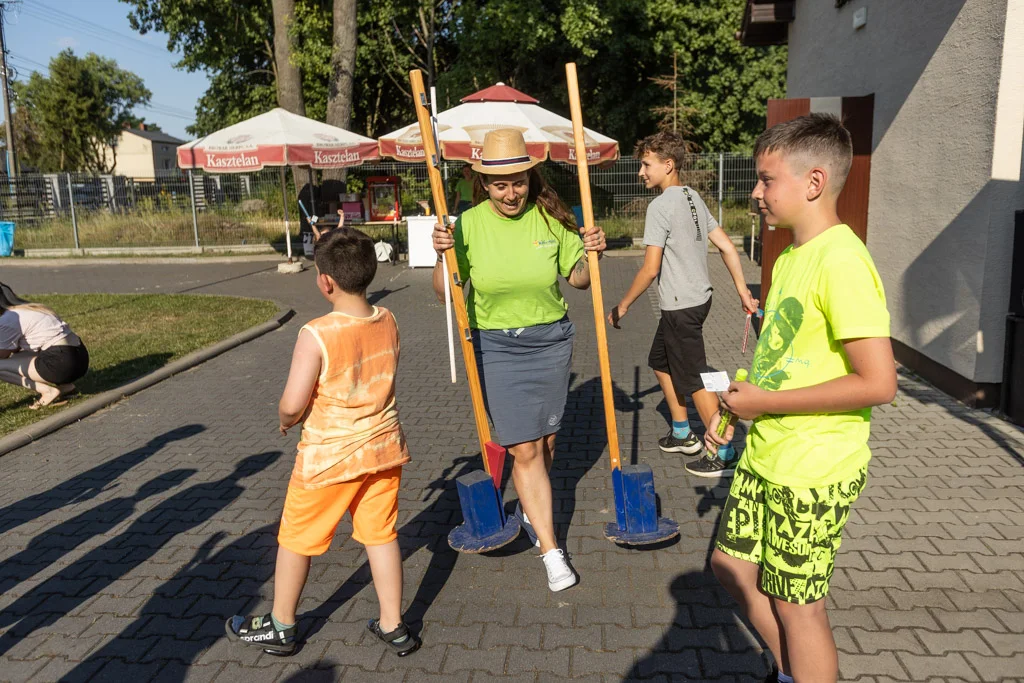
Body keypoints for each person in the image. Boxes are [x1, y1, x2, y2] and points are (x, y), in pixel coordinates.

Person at [705, 114, 896, 683]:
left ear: (813, 183)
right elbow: (782, 358)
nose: (756, 194)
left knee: (797, 605)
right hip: (768, 452)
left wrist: (765, 405)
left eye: (766, 181)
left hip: (813, 467)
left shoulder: (842, 261)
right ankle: (791, 670)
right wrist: (742, 406)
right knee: (730, 566)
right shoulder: (788, 256)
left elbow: (879, 383)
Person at [225, 228, 420, 657]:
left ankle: (281, 624)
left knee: (296, 539)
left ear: (325, 281)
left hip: (327, 459)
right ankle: (394, 624)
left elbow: (293, 403)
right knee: (381, 534)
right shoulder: (388, 319)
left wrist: (285, 420)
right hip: (384, 449)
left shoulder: (316, 333)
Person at [431, 129, 606, 592]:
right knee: (523, 449)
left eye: (519, 181)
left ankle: (532, 508)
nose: (511, 192)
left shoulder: (551, 221)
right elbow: (443, 293)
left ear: (530, 178)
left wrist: (592, 251)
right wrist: (441, 256)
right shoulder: (466, 226)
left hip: (551, 342)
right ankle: (551, 550)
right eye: (500, 184)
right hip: (497, 347)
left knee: (546, 444)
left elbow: (580, 281)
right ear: (484, 185)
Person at [607, 131, 758, 477]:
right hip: (698, 301)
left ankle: (723, 451)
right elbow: (728, 247)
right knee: (660, 360)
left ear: (668, 165)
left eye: (646, 165)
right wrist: (741, 292)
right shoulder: (693, 198)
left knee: (696, 378)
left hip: (680, 307)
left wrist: (624, 305)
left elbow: (650, 268)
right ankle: (682, 432)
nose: (641, 172)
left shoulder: (660, 206)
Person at [0, 283, 88, 409]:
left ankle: (47, 391)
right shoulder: (31, 308)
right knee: (17, 357)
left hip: (61, 363)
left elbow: (2, 354)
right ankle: (66, 387)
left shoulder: (7, 319)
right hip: (80, 357)